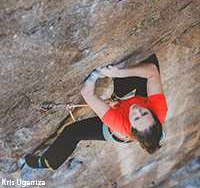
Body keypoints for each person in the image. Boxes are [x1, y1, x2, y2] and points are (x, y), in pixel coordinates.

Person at [25, 54, 168, 170]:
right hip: (137, 103)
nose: (137, 111)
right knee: (149, 61)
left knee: (72, 132)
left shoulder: (118, 123)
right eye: (145, 113)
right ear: (153, 116)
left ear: (132, 127)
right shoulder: (158, 110)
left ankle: (49, 161)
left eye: (136, 119)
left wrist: (95, 75)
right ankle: (118, 93)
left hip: (111, 131)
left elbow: (87, 93)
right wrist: (120, 73)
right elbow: (152, 71)